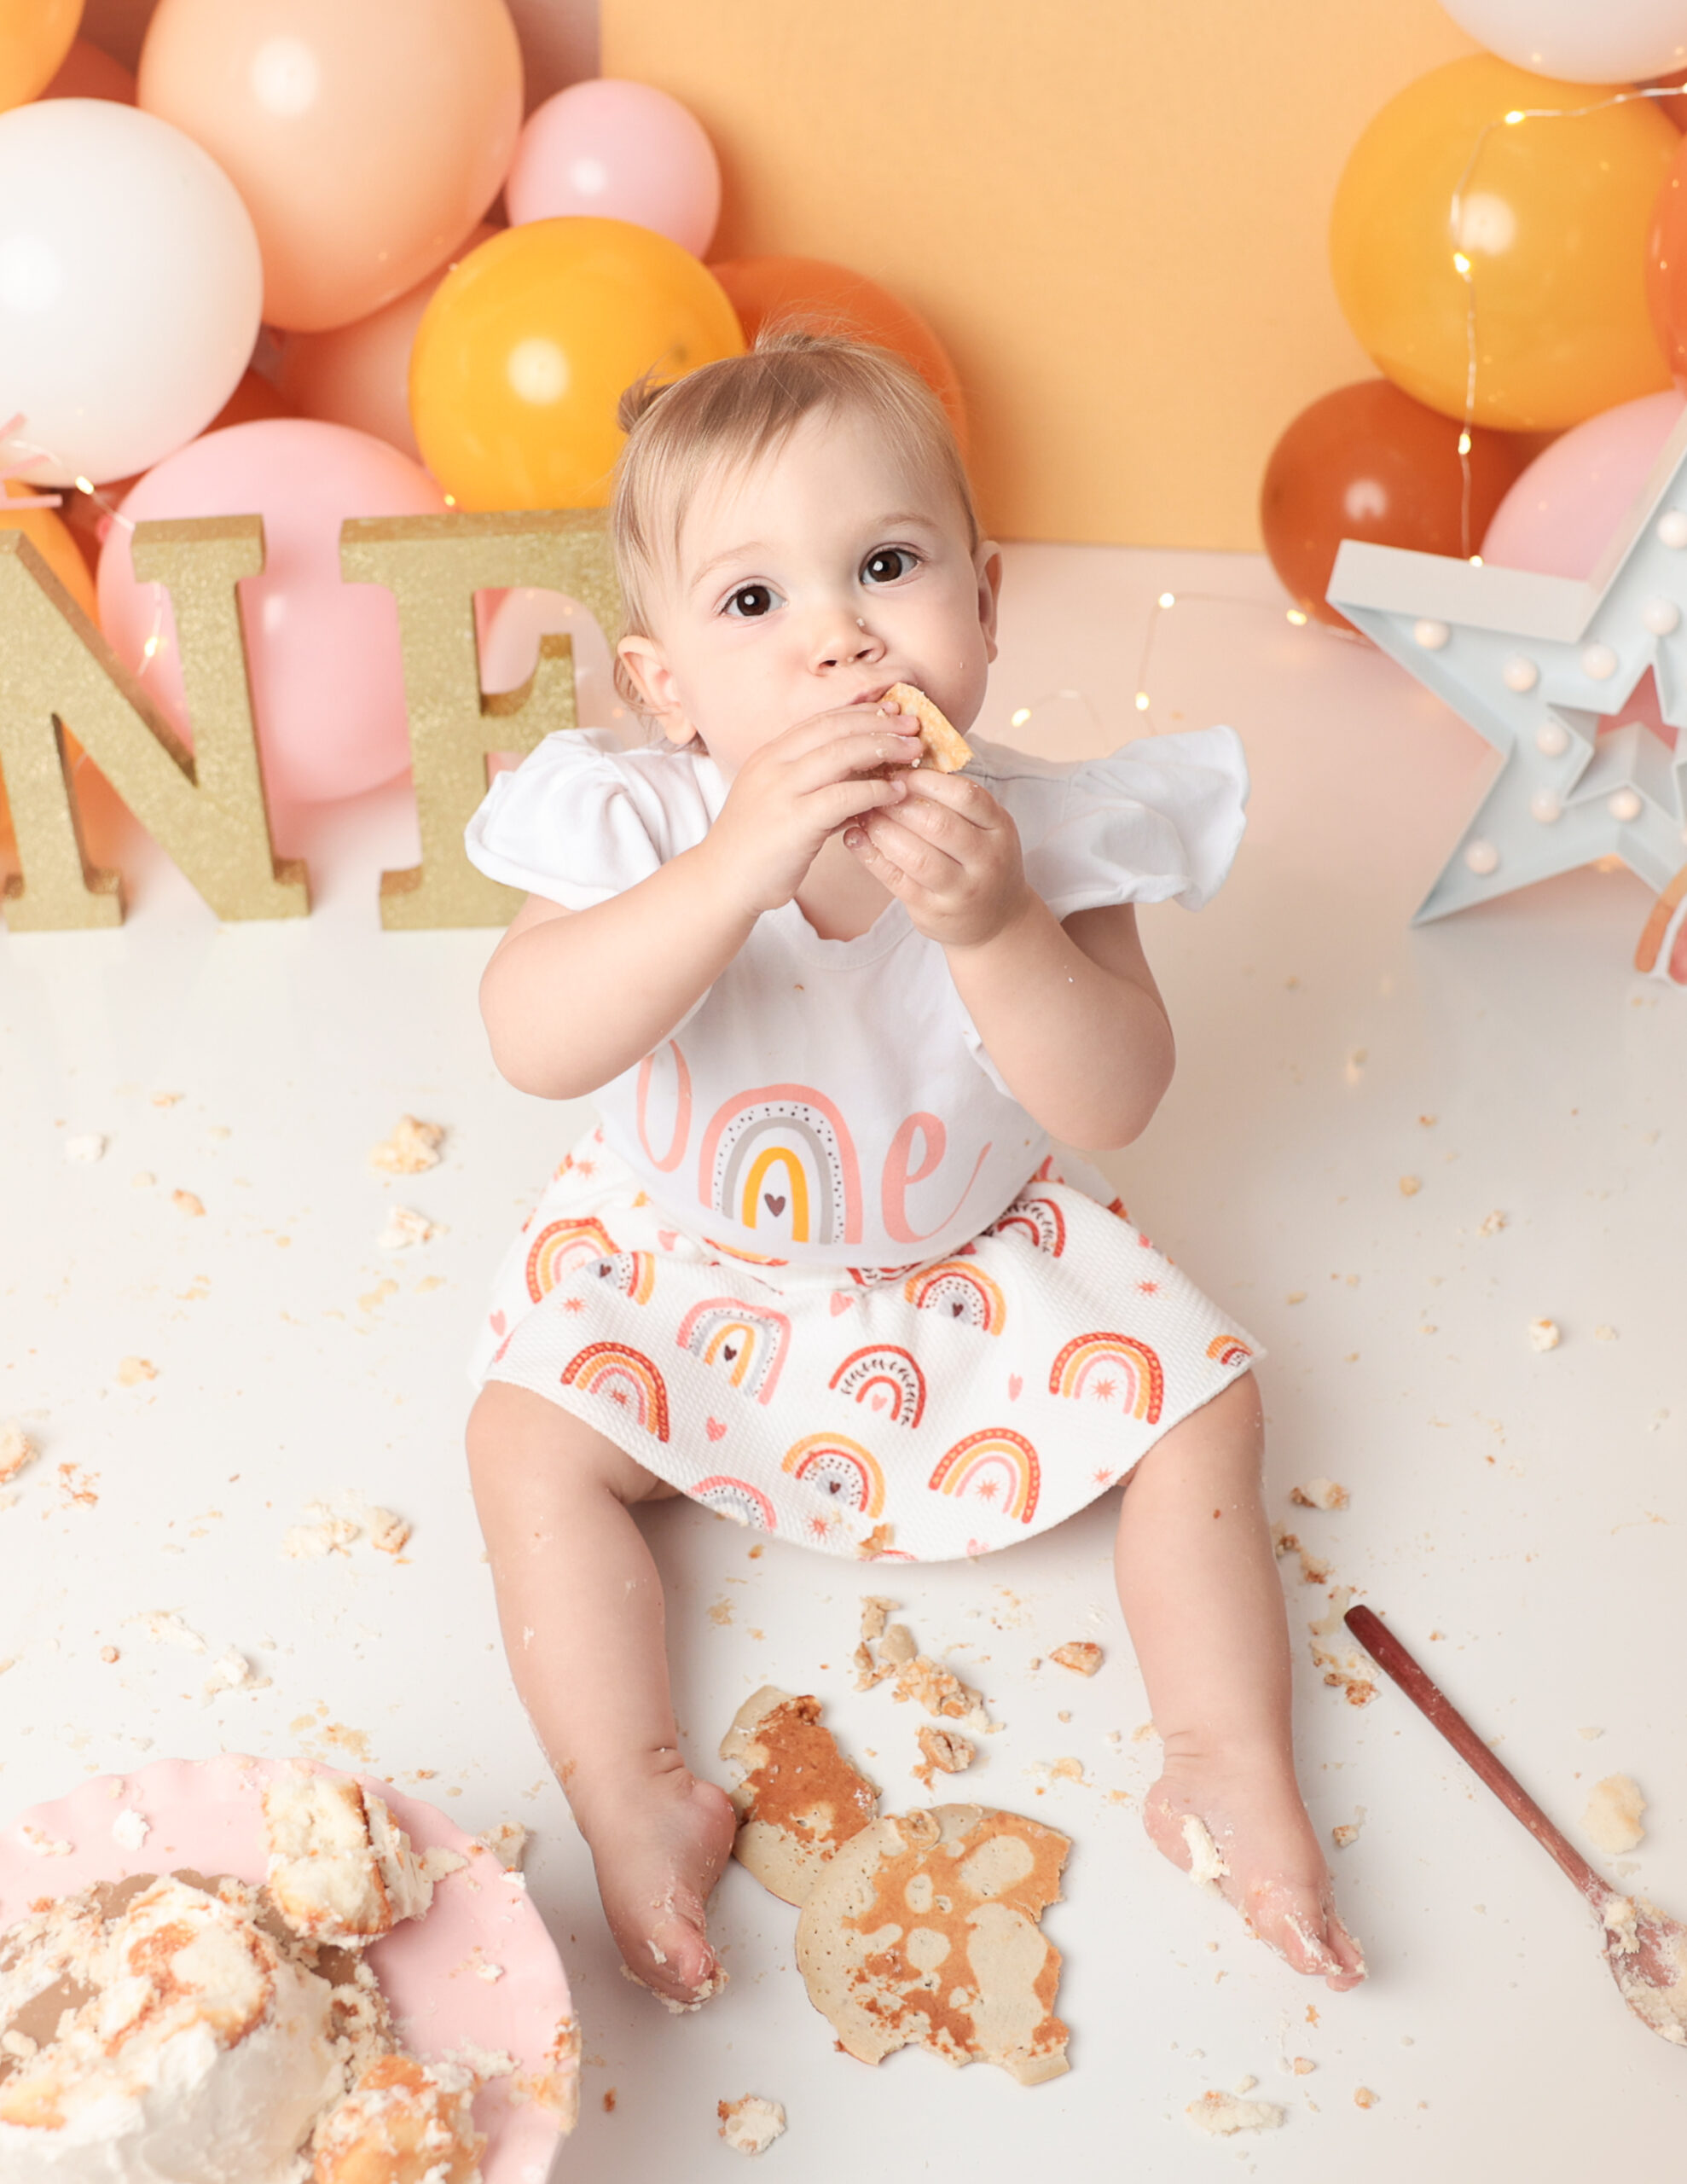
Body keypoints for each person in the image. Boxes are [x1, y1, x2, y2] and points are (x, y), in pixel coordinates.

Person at [461, 327, 1365, 2012]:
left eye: (884, 566)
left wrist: (999, 926)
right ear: (662, 684)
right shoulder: (638, 823)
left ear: (984, 601)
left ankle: (1221, 1753)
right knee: (523, 1436)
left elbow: (1113, 1097)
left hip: (970, 1254)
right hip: (686, 1264)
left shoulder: (1039, 830)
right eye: (753, 605)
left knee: (1206, 1412)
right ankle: (628, 1779)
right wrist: (731, 868)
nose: (836, 636)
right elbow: (533, 1035)